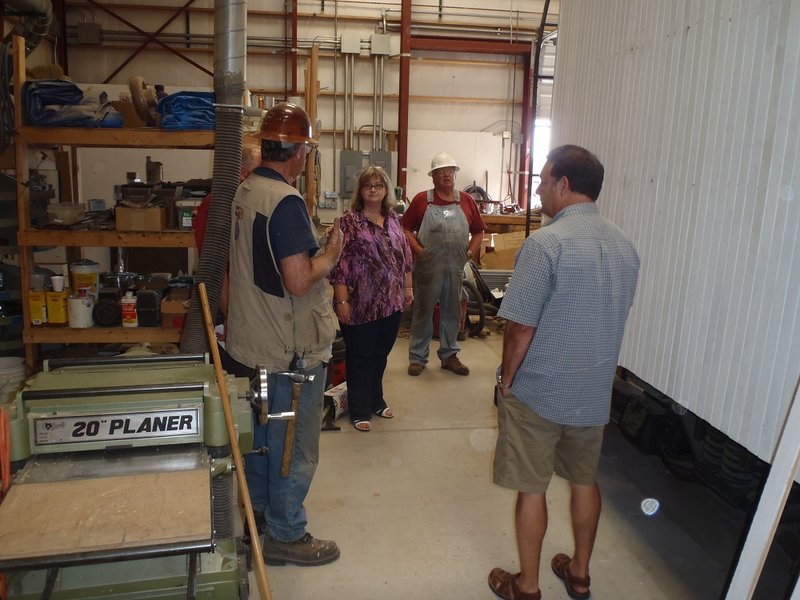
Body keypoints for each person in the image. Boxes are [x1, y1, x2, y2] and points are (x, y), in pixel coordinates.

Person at [488, 145, 640, 600]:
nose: (538, 190)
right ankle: (579, 573)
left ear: (564, 186)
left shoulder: (545, 245)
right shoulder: (624, 246)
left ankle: (528, 586)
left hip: (539, 391)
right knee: (584, 480)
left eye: (543, 180)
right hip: (593, 391)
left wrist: (506, 380)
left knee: (532, 488)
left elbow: (520, 328)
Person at [225, 102, 343, 567]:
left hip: (250, 349)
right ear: (299, 153)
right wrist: (330, 253)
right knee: (292, 447)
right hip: (288, 358)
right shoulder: (287, 203)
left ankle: (255, 521)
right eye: (307, 152)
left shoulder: (245, 191)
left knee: (258, 439)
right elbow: (298, 280)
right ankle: (286, 534)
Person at [328, 166, 413, 432]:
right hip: (359, 304)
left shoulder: (394, 220)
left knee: (380, 355)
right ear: (361, 191)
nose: (373, 189)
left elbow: (405, 258)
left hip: (391, 303)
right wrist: (342, 302)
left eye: (378, 185)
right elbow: (339, 265)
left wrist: (408, 288)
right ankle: (359, 407)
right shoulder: (348, 223)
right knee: (360, 356)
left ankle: (376, 399)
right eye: (368, 185)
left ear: (387, 190)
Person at [400, 152, 485, 377]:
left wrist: (468, 252)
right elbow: (404, 228)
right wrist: (418, 250)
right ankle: (417, 357)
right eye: (440, 172)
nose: (445, 175)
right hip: (428, 266)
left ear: (455, 174)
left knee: (452, 311)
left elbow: (479, 231)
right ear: (433, 177)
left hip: (455, 266)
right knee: (423, 311)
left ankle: (449, 356)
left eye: (449, 171)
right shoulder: (422, 200)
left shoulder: (466, 200)